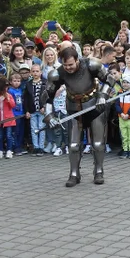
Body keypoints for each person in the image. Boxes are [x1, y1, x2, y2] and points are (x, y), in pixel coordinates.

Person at [45, 46, 112, 186]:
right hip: (74, 110)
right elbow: (48, 96)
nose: (68, 67)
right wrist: (49, 115)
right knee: (74, 145)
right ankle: (74, 173)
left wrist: (102, 96)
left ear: (77, 60)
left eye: (71, 64)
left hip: (94, 107)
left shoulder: (91, 65)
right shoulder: (58, 74)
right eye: (65, 65)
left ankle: (98, 170)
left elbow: (109, 80)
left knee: (98, 144)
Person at [23, 62, 50, 156]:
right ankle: (36, 147)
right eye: (33, 71)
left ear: (41, 72)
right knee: (33, 128)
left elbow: (48, 96)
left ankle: (41, 147)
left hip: (42, 110)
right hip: (32, 110)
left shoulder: (45, 82)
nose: (35, 73)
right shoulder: (28, 84)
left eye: (37, 71)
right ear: (30, 72)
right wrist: (26, 111)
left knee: (41, 128)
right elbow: (25, 98)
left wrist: (45, 107)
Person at [116, 76, 130, 159]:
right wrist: (121, 113)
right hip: (121, 118)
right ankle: (125, 150)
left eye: (127, 82)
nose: (125, 84)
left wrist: (128, 114)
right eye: (124, 82)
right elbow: (117, 105)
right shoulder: (119, 93)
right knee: (124, 135)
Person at [6, 71, 26, 155]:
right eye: (15, 81)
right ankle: (15, 147)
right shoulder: (10, 91)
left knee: (21, 131)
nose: (17, 83)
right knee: (15, 131)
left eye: (18, 81)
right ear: (10, 82)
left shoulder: (20, 90)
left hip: (21, 113)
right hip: (14, 114)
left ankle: (19, 146)